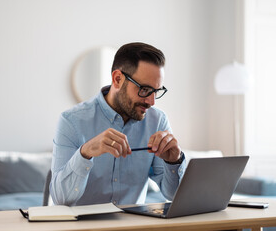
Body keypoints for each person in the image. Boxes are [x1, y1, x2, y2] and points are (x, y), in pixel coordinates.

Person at [50, 42, 186, 206]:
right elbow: (60, 199)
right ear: (118, 79)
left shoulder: (157, 121)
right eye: (144, 89)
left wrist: (174, 161)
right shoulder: (71, 121)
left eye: (156, 91)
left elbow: (172, 195)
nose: (151, 101)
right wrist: (85, 152)